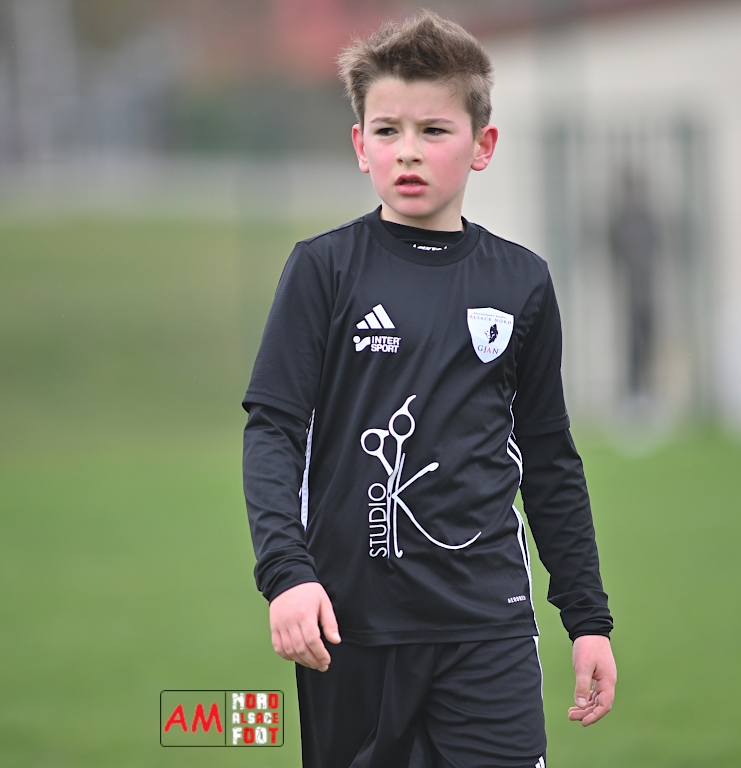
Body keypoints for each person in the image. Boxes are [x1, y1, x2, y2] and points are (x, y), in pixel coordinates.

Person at [242, 11, 615, 767]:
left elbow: (549, 459)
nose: (407, 150)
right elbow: (273, 433)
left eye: (434, 130)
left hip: (487, 625)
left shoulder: (521, 282)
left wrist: (587, 618)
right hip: (348, 627)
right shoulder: (323, 270)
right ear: (360, 145)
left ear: (483, 145)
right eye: (388, 130)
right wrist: (287, 577)